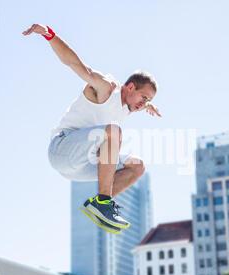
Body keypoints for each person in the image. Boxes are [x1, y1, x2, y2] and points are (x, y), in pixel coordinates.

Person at [22, 24, 161, 234]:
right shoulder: (106, 88)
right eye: (143, 97)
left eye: (147, 101)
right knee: (113, 132)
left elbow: (134, 104)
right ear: (130, 87)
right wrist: (50, 35)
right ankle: (102, 203)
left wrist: (147, 104)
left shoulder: (128, 108)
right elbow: (76, 65)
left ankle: (99, 203)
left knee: (137, 166)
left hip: (81, 166)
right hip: (62, 149)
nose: (143, 104)